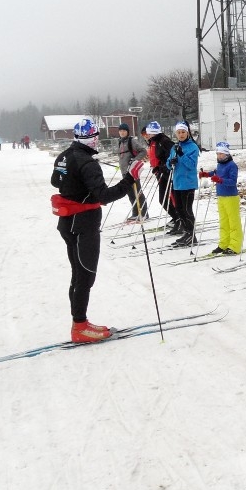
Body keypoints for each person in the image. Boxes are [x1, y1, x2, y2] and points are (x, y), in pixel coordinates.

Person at [51, 117, 145, 342]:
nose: (97, 141)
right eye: (95, 137)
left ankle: (79, 321)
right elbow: (104, 195)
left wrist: (74, 185)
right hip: (83, 223)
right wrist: (129, 179)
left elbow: (56, 181)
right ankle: (80, 327)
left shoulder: (64, 155)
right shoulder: (87, 162)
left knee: (78, 273)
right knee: (85, 274)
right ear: (91, 138)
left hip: (69, 222)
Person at [199, 141, 242, 255]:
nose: (219, 156)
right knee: (224, 222)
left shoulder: (232, 165)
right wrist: (206, 174)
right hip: (221, 196)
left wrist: (220, 180)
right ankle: (224, 244)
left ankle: (235, 245)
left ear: (227, 154)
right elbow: (216, 172)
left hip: (231, 197)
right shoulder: (220, 165)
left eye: (221, 154)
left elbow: (233, 181)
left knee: (233, 222)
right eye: (218, 154)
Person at [167, 121, 200, 246]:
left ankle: (191, 235)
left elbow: (192, 165)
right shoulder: (174, 147)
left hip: (188, 183)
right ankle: (186, 233)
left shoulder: (192, 147)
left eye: (183, 132)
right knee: (179, 210)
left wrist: (181, 155)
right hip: (177, 182)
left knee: (187, 210)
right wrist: (171, 163)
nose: (181, 135)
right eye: (179, 132)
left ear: (187, 133)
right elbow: (168, 163)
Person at [144, 122, 180, 234]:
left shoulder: (164, 141)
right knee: (163, 199)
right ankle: (176, 218)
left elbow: (172, 156)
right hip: (161, 173)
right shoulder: (154, 141)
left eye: (149, 133)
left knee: (168, 198)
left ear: (154, 133)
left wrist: (163, 167)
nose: (147, 135)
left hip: (168, 173)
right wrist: (157, 168)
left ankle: (179, 219)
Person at [117, 122, 149, 221]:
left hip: (132, 171)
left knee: (137, 192)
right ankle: (135, 213)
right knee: (130, 193)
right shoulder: (120, 142)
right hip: (124, 172)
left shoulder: (132, 141)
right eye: (120, 131)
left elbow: (143, 151)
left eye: (124, 131)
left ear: (127, 132)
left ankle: (144, 213)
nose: (122, 133)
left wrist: (135, 160)